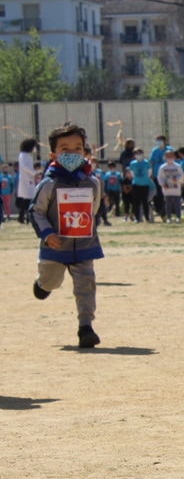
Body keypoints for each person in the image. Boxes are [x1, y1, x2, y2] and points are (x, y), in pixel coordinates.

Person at [29, 122, 104, 348]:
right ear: (53, 154)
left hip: (84, 245)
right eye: (65, 150)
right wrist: (48, 234)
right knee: (53, 280)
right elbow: (36, 211)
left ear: (85, 151)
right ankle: (43, 285)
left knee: (86, 284)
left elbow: (94, 209)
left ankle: (86, 327)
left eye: (77, 149)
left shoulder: (92, 183)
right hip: (54, 247)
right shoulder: (48, 184)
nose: (72, 154)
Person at [157, 147, 184, 223]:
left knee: (177, 203)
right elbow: (160, 177)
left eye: (171, 156)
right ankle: (169, 217)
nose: (170, 158)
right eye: (168, 156)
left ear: (174, 157)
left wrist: (178, 179)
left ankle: (178, 217)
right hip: (167, 188)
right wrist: (163, 184)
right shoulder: (163, 167)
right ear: (165, 157)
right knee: (168, 203)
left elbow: (182, 175)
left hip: (176, 187)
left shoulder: (177, 166)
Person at [127, 147, 153, 222]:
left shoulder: (147, 162)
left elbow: (149, 172)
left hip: (145, 184)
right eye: (136, 153)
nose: (138, 155)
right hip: (136, 184)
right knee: (136, 202)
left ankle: (147, 217)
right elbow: (132, 173)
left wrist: (144, 179)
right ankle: (137, 218)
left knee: (145, 201)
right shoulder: (133, 163)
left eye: (140, 153)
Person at [16, 137, 38, 224]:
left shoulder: (26, 155)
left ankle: (23, 217)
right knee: (29, 199)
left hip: (29, 179)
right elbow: (25, 167)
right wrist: (34, 173)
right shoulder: (24, 155)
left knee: (28, 199)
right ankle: (25, 217)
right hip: (27, 179)